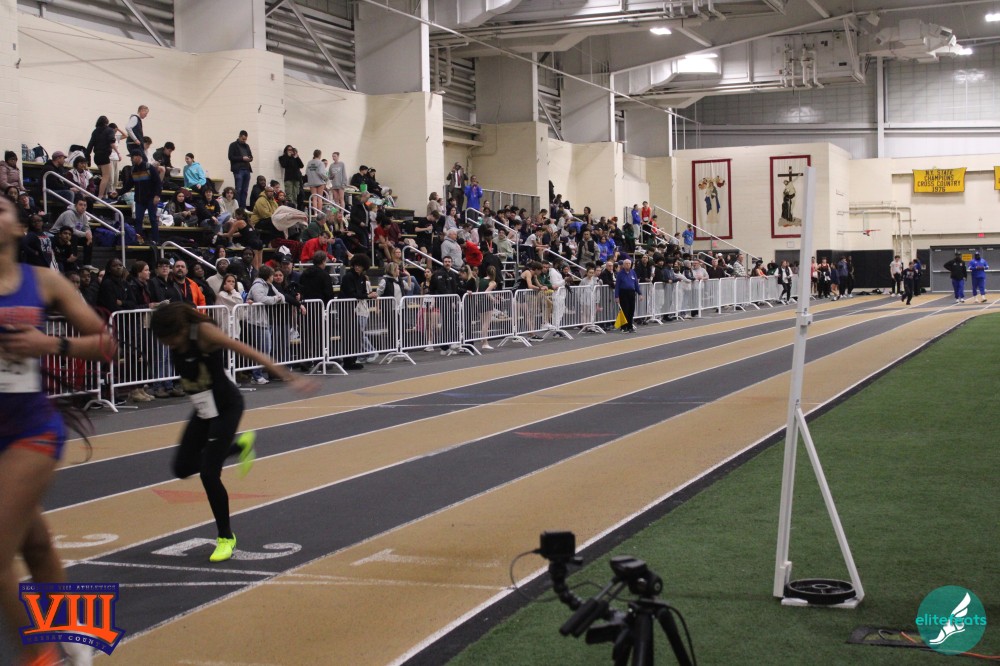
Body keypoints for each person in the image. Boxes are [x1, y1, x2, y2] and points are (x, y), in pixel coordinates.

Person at [0, 194, 117, 666]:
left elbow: (106, 345)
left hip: (31, 431)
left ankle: (40, 658)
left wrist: (49, 343)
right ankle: (73, 626)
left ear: (18, 226)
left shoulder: (43, 281)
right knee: (33, 542)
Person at [149, 302, 315, 563]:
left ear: (180, 328)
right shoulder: (175, 340)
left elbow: (250, 351)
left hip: (227, 407)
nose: (167, 344)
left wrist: (291, 377)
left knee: (209, 473)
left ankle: (226, 537)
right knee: (181, 468)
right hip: (204, 410)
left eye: (169, 339)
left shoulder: (203, 333)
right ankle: (239, 447)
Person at [115, 150, 163, 244]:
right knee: (138, 220)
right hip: (139, 200)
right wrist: (118, 193)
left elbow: (158, 183)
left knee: (153, 219)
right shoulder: (133, 169)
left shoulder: (149, 168)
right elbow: (129, 185)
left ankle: (156, 240)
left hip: (150, 198)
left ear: (138, 157)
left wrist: (157, 196)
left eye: (132, 157)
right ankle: (138, 240)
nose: (131, 159)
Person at [50, 197, 94, 268]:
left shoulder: (83, 215)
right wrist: (85, 234)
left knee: (89, 239)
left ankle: (87, 264)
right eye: (80, 204)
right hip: (57, 234)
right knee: (74, 237)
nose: (83, 207)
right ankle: (73, 259)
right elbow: (71, 230)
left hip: (70, 234)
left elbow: (87, 227)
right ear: (76, 205)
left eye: (85, 205)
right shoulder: (69, 213)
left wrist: (89, 236)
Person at [228, 130, 253, 208]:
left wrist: (250, 158)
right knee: (238, 189)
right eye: (243, 139)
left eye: (245, 139)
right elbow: (230, 157)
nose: (244, 140)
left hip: (247, 169)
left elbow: (251, 156)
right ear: (239, 136)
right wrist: (242, 158)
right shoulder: (233, 145)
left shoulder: (247, 146)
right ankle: (237, 208)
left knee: (245, 190)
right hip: (238, 170)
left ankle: (243, 207)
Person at [615, 257, 641, 333]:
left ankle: (630, 326)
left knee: (631, 310)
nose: (628, 265)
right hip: (623, 293)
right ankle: (623, 327)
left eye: (629, 263)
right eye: (626, 264)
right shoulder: (620, 274)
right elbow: (617, 286)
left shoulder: (633, 272)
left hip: (632, 293)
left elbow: (636, 284)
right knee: (625, 310)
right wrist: (616, 296)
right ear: (623, 265)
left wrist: (640, 293)